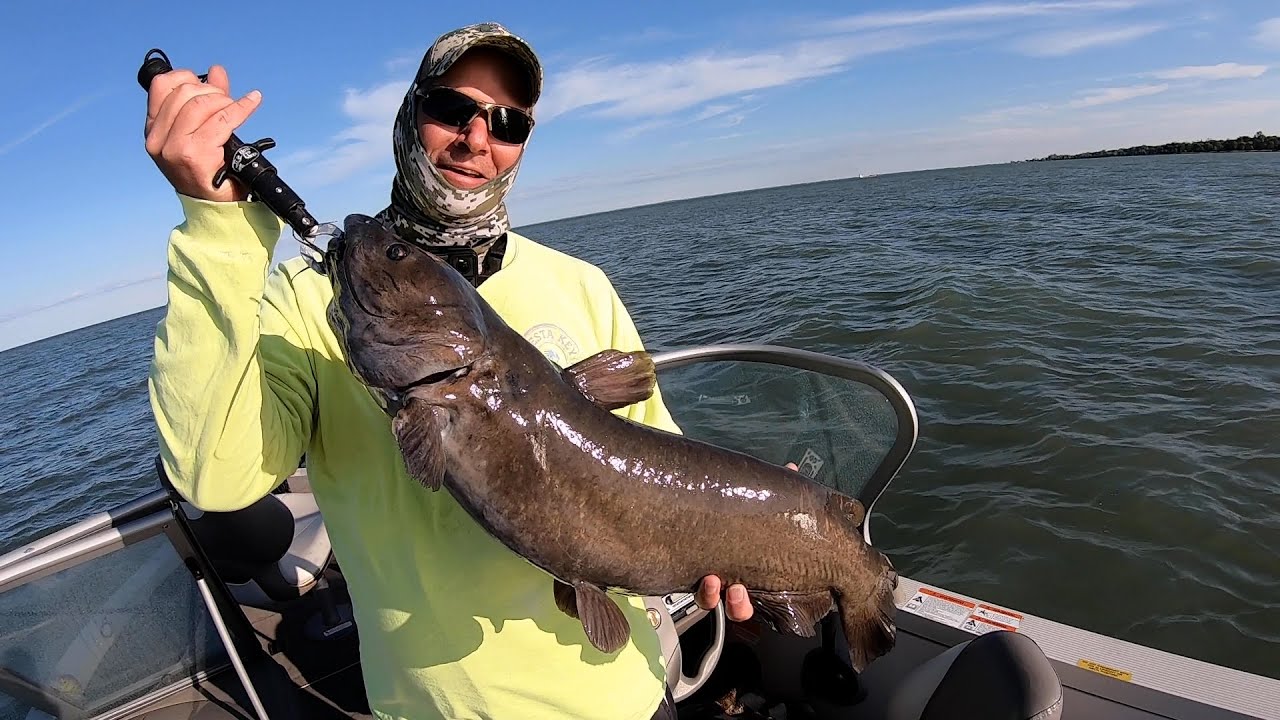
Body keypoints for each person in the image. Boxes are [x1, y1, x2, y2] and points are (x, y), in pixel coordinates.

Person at [143, 22, 755, 720]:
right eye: (450, 109)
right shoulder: (307, 302)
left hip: (625, 693)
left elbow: (663, 460)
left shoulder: (581, 284)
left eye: (507, 122)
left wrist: (743, 536)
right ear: (410, 113)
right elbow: (214, 472)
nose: (476, 138)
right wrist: (216, 229)